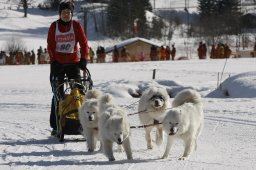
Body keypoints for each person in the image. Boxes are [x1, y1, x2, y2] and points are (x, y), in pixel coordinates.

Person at [47, 0, 89, 136]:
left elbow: (84, 42)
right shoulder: (54, 26)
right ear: (60, 14)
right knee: (58, 93)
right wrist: (53, 61)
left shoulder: (76, 25)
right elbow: (50, 45)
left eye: (68, 12)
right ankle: (56, 124)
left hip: (73, 63)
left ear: (72, 14)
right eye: (63, 12)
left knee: (78, 92)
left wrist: (84, 59)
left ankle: (82, 121)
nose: (66, 15)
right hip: (58, 63)